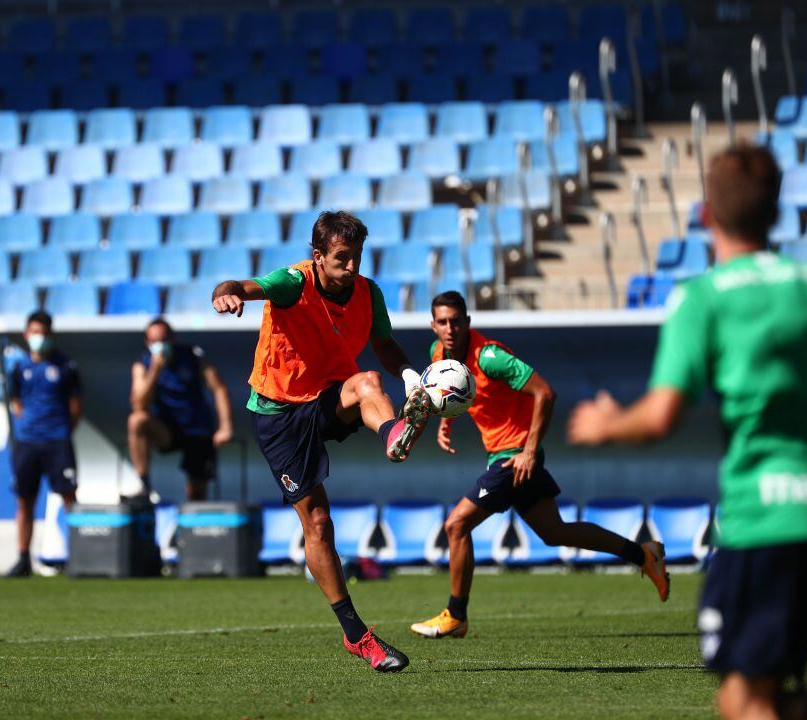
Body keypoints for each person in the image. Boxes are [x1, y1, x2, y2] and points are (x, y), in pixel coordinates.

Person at [568, 145, 807, 720]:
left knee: (749, 701)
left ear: (707, 214)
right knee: (745, 697)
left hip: (762, 521)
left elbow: (662, 416)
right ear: (777, 211)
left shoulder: (705, 297)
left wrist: (607, 423)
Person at [212, 210, 432, 673]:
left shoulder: (368, 292)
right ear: (319, 257)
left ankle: (395, 436)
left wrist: (410, 375)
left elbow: (385, 343)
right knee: (318, 522)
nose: (351, 267)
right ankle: (357, 635)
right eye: (341, 258)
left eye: (357, 257)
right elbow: (244, 286)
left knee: (369, 379)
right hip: (279, 412)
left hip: (330, 396)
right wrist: (225, 294)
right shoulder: (295, 281)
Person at [409, 291, 669, 639]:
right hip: (501, 455)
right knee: (555, 532)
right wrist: (447, 421)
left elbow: (545, 392)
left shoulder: (490, 357)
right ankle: (643, 554)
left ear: (468, 322)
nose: (450, 328)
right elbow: (457, 394)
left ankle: (456, 614)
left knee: (456, 525)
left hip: (514, 455)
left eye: (456, 320)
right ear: (433, 325)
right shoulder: (436, 355)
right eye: (442, 321)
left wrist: (529, 451)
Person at [4, 310, 83, 578]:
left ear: (50, 335)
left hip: (57, 441)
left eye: (43, 333)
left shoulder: (65, 366)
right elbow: (16, 401)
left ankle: (81, 556)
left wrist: (59, 430)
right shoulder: (19, 367)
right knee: (25, 501)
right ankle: (23, 557)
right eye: (34, 332)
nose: (38, 338)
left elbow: (75, 407)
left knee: (69, 498)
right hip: (28, 442)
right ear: (27, 335)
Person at [127, 318, 234, 501]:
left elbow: (219, 388)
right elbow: (138, 404)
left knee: (197, 494)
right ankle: (144, 484)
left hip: (197, 429)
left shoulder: (193, 356)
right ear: (147, 343)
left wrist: (225, 427)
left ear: (173, 338)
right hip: (167, 430)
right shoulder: (142, 365)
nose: (160, 345)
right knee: (136, 420)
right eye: (154, 342)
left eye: (163, 340)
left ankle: (195, 524)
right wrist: (155, 370)